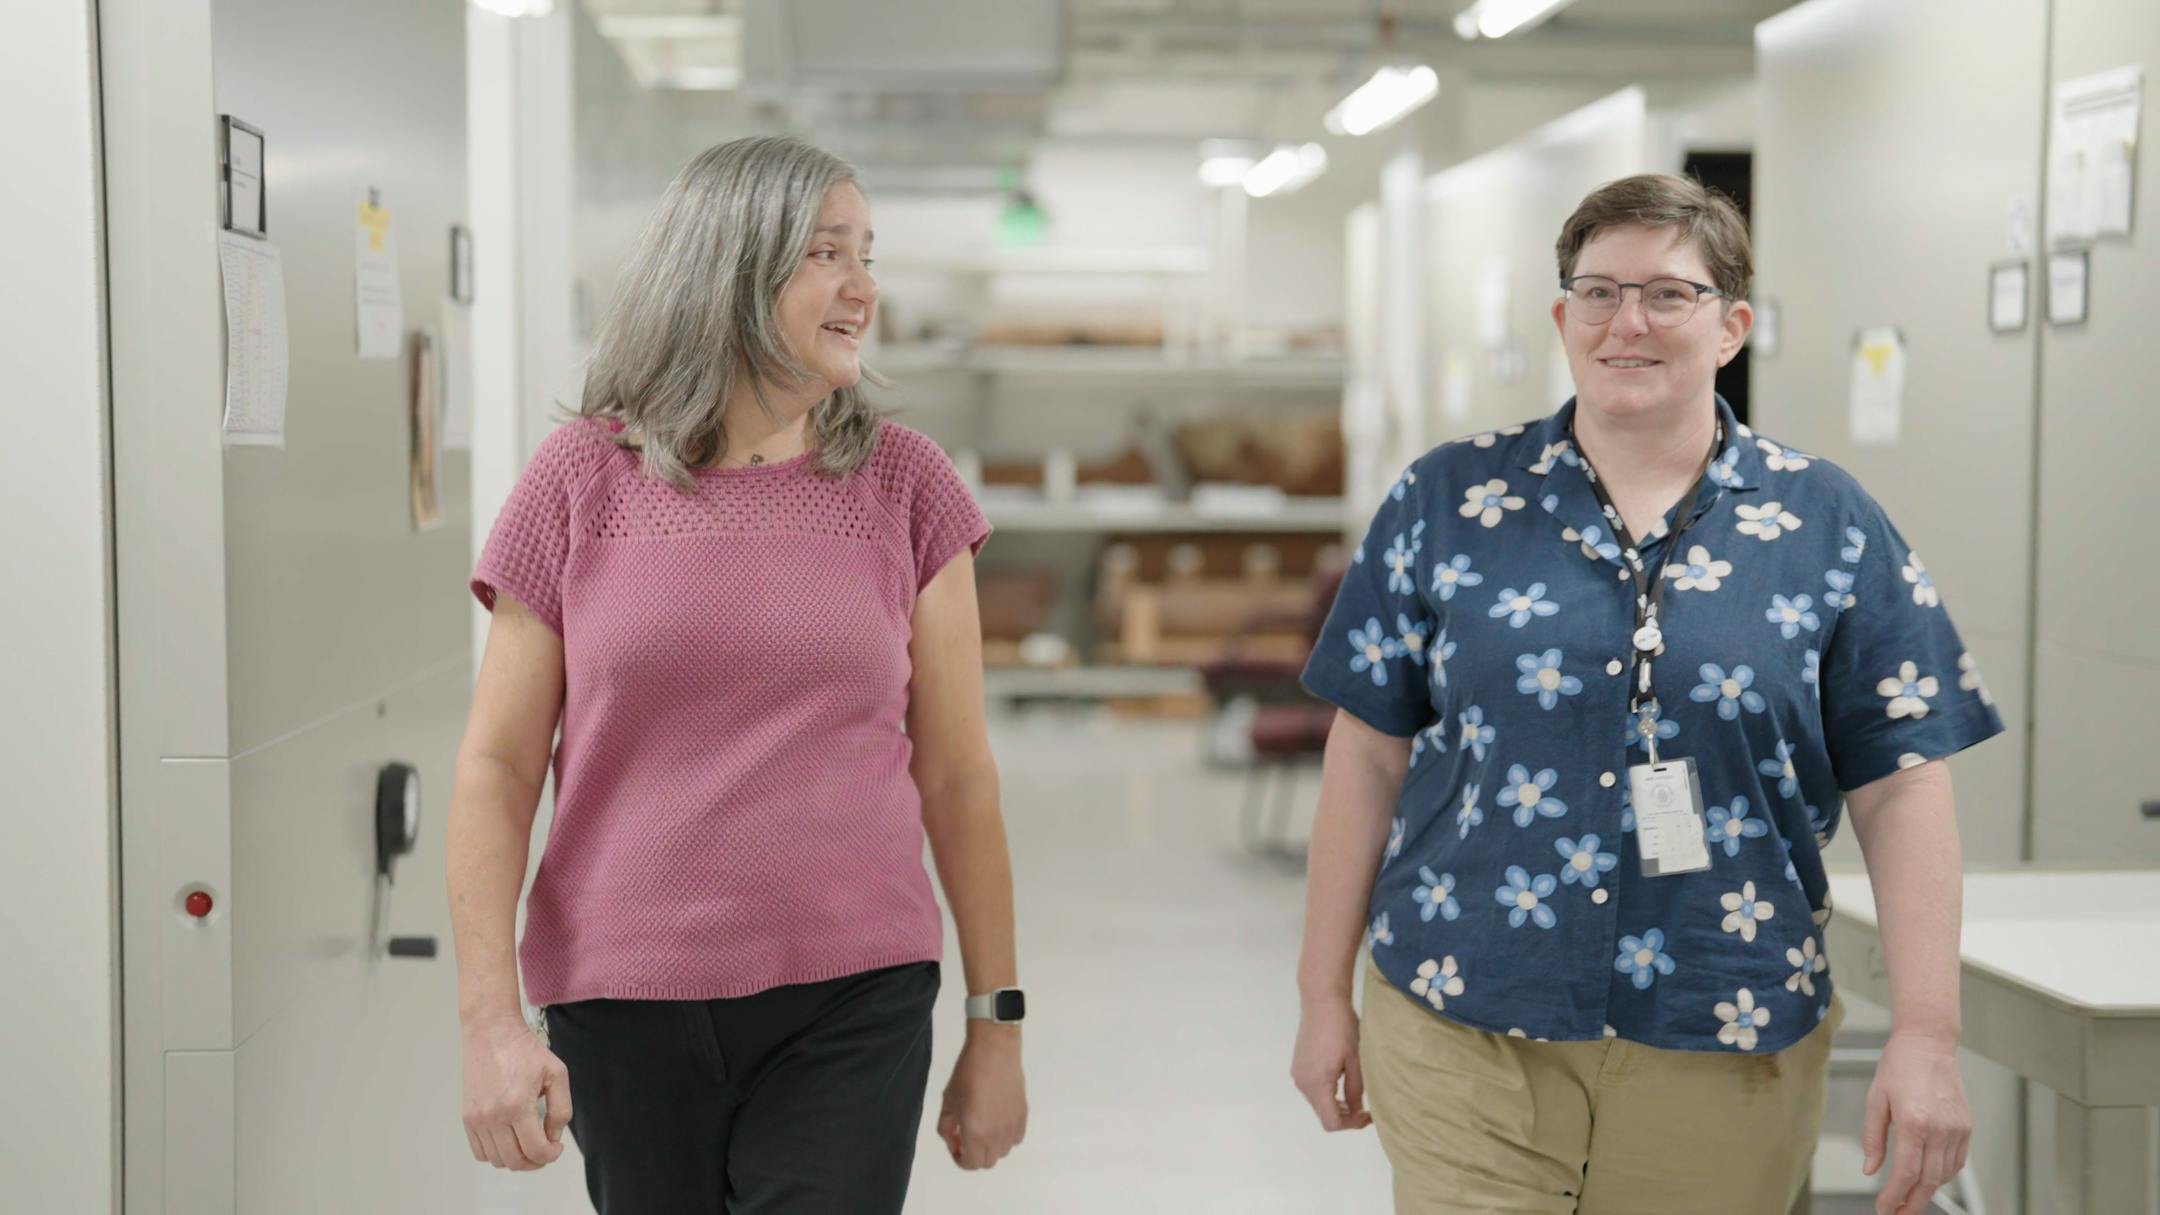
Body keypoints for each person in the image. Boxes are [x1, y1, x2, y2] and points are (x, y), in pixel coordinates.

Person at [1290, 172, 1995, 1215]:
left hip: (1726, 1019)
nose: (1629, 322)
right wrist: (1319, 995)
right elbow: (1367, 753)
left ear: (1732, 326)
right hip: (1463, 1006)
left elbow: (1902, 783)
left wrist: (1928, 1035)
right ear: (1562, 318)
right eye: (1598, 292)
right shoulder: (1449, 500)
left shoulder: (1827, 523)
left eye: (1669, 294)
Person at [447, 135, 1027, 1213]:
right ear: (728, 267)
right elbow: (496, 766)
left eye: (867, 253)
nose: (863, 287)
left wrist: (997, 1022)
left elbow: (958, 777)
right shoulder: (580, 480)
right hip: (620, 998)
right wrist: (488, 1020)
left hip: (854, 992)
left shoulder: (906, 486)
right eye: (824, 253)